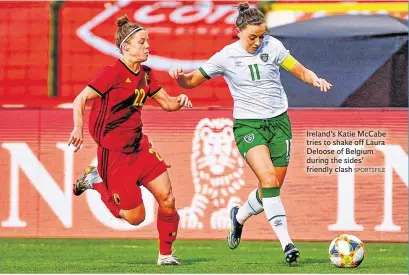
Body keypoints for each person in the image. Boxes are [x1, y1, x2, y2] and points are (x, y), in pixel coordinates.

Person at [168, 2, 332, 265]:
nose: (258, 41)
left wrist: (315, 79)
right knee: (268, 179)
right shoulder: (226, 56)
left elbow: (298, 69)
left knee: (271, 188)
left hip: (279, 124)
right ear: (238, 31)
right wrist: (180, 79)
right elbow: (192, 81)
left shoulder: (274, 46)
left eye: (262, 36)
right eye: (252, 37)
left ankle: (239, 216)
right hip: (249, 126)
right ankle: (287, 243)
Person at [68, 15, 192, 266]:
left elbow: (167, 104)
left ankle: (165, 255)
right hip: (114, 155)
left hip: (139, 147)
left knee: (167, 198)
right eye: (142, 42)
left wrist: (180, 100)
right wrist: (78, 128)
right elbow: (80, 99)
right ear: (126, 46)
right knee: (136, 217)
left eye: (147, 42)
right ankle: (95, 181)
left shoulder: (146, 75)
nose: (147, 47)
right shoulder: (111, 73)